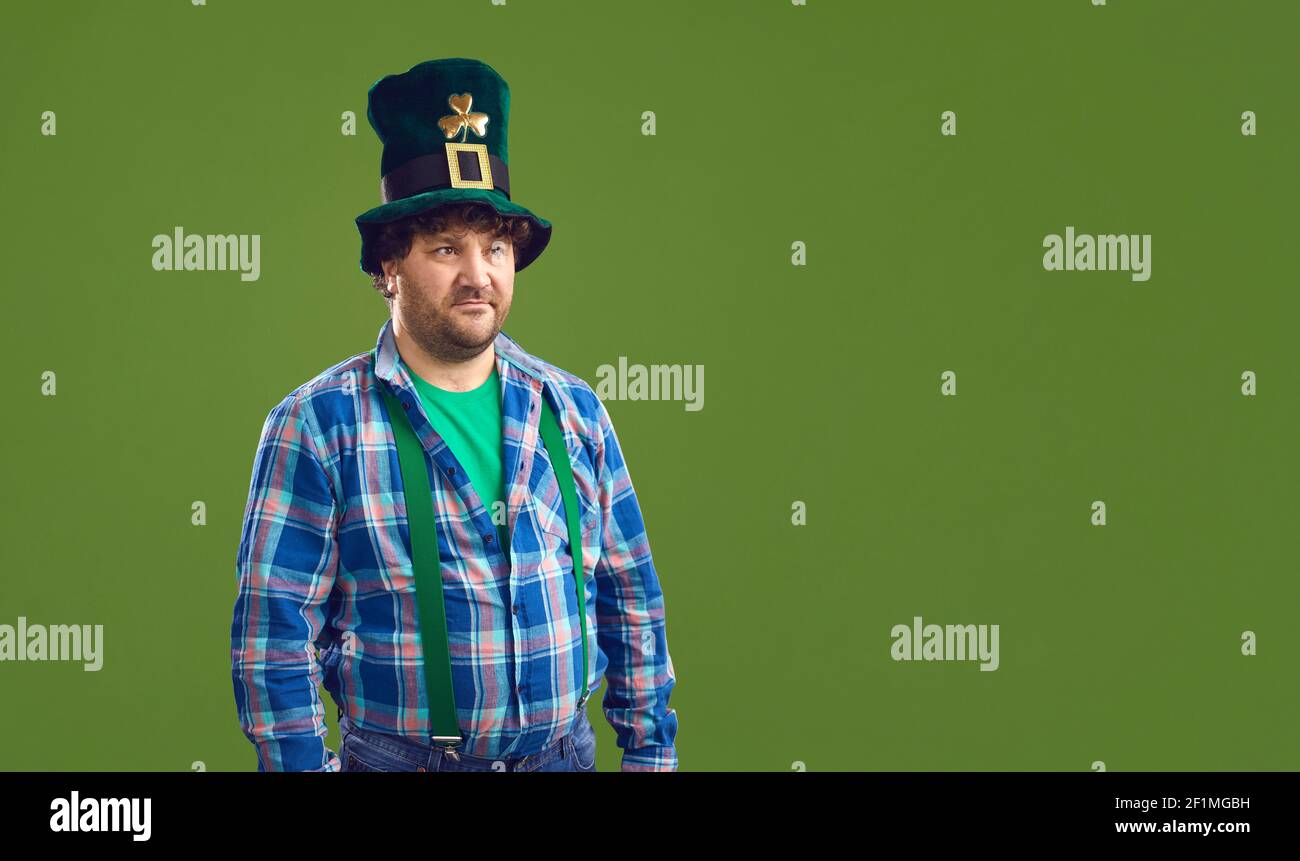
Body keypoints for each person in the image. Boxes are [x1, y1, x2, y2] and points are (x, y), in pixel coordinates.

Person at [230, 58, 678, 772]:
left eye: (495, 247)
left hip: (565, 757)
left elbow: (632, 601)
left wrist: (651, 755)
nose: (480, 274)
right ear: (388, 267)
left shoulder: (573, 410)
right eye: (446, 248)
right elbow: (274, 643)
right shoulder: (317, 425)